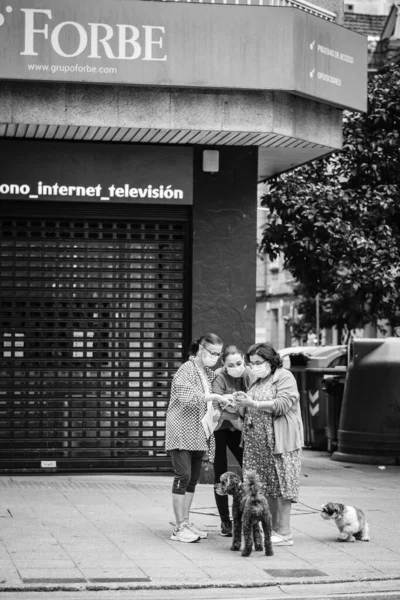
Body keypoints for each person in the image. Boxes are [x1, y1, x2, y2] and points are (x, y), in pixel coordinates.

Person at [165, 333, 233, 544]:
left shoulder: (210, 374)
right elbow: (187, 398)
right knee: (183, 476)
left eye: (217, 354)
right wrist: (214, 397)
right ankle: (178, 528)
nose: (214, 357)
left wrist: (224, 401)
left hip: (199, 432)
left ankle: (185, 522)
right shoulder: (186, 369)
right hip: (181, 430)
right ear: (200, 349)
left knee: (192, 479)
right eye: (211, 352)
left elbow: (213, 401)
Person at [234, 342, 304, 547]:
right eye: (252, 362)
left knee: (282, 486)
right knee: (265, 487)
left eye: (258, 362)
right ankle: (271, 529)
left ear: (271, 360)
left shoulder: (284, 376)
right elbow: (249, 409)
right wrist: (239, 404)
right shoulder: (258, 380)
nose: (254, 366)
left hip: (278, 442)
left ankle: (285, 532)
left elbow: (283, 404)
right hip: (257, 445)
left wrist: (254, 404)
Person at [211, 345, 255, 537]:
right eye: (231, 364)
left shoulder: (249, 374)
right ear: (223, 364)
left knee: (249, 469)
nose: (236, 367)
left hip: (240, 429)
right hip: (221, 428)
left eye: (239, 363)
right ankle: (225, 522)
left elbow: (254, 399)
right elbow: (214, 406)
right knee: (220, 473)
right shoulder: (219, 376)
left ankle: (248, 514)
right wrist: (235, 418)